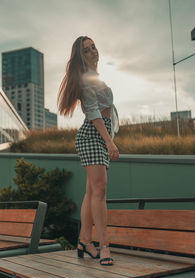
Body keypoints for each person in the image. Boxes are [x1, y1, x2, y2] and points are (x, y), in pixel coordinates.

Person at [57, 36, 119, 266]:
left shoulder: (96, 77)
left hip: (101, 135)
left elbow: (108, 112)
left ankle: (84, 241)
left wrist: (110, 137)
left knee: (92, 191)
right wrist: (109, 142)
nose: (93, 51)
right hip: (92, 136)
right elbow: (94, 113)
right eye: (87, 50)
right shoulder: (85, 80)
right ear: (80, 56)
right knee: (100, 190)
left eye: (93, 46)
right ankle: (104, 246)